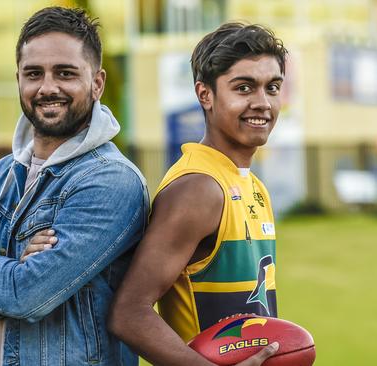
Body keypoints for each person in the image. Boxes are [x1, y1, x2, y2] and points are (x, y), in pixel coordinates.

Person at [0, 7, 148, 366]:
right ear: (19, 81)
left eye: (65, 73)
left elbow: (29, 296)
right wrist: (12, 266)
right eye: (34, 73)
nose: (47, 87)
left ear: (97, 83)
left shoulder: (111, 181)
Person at [106, 23, 288, 365]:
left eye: (273, 87)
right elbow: (128, 314)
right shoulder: (198, 188)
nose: (262, 103)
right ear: (205, 94)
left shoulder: (253, 186)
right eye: (244, 87)